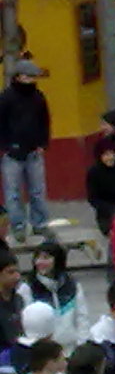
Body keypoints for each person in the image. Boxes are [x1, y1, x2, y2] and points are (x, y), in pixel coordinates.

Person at [0, 58, 51, 239]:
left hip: (34, 152)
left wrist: (43, 144)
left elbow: (45, 122)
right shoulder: (6, 97)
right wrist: (5, 147)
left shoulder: (38, 97)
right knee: (13, 193)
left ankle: (40, 224)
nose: (31, 80)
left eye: (33, 76)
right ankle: (18, 226)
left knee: (37, 191)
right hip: (12, 154)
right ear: (19, 76)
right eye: (28, 76)